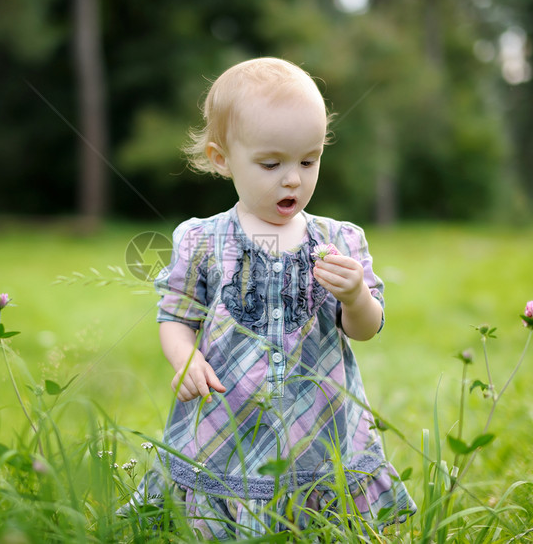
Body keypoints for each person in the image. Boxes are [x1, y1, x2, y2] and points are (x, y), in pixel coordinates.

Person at [133, 57, 415, 539]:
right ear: (223, 159)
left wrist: (354, 297)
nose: (293, 179)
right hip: (226, 421)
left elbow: (365, 329)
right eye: (272, 164)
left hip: (319, 426)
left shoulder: (339, 240)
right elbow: (175, 314)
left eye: (309, 161)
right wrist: (182, 358)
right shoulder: (203, 241)